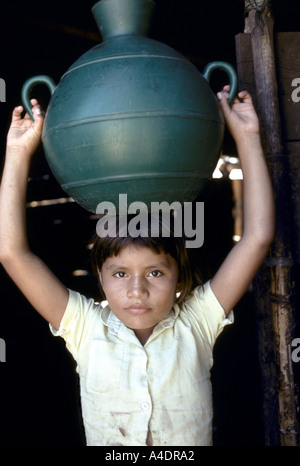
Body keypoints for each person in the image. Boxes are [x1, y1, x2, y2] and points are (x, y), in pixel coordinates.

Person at [0, 87, 275, 446]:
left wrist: (247, 137)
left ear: (180, 275)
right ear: (99, 277)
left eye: (155, 272)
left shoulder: (197, 323)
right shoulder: (84, 329)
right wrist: (18, 151)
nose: (137, 290)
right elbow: (12, 254)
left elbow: (257, 237)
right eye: (119, 274)